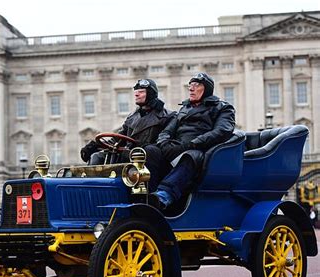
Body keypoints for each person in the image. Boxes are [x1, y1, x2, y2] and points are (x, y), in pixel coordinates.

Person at [148, 72, 236, 208]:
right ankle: (149, 194)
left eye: (196, 85)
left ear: (206, 88)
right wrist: (164, 143)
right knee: (150, 151)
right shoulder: (184, 108)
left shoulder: (222, 108)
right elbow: (167, 130)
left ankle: (163, 196)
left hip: (201, 151)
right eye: (190, 85)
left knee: (191, 156)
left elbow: (222, 131)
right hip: (176, 148)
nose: (191, 88)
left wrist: (194, 143)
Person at [80, 79, 173, 190]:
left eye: (141, 91)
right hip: (128, 156)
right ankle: (93, 191)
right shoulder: (132, 116)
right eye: (136, 92)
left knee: (149, 151)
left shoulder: (167, 116)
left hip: (149, 160)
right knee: (97, 156)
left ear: (151, 94)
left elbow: (164, 142)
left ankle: (149, 194)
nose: (137, 94)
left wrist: (139, 147)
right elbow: (118, 139)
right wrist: (95, 145)